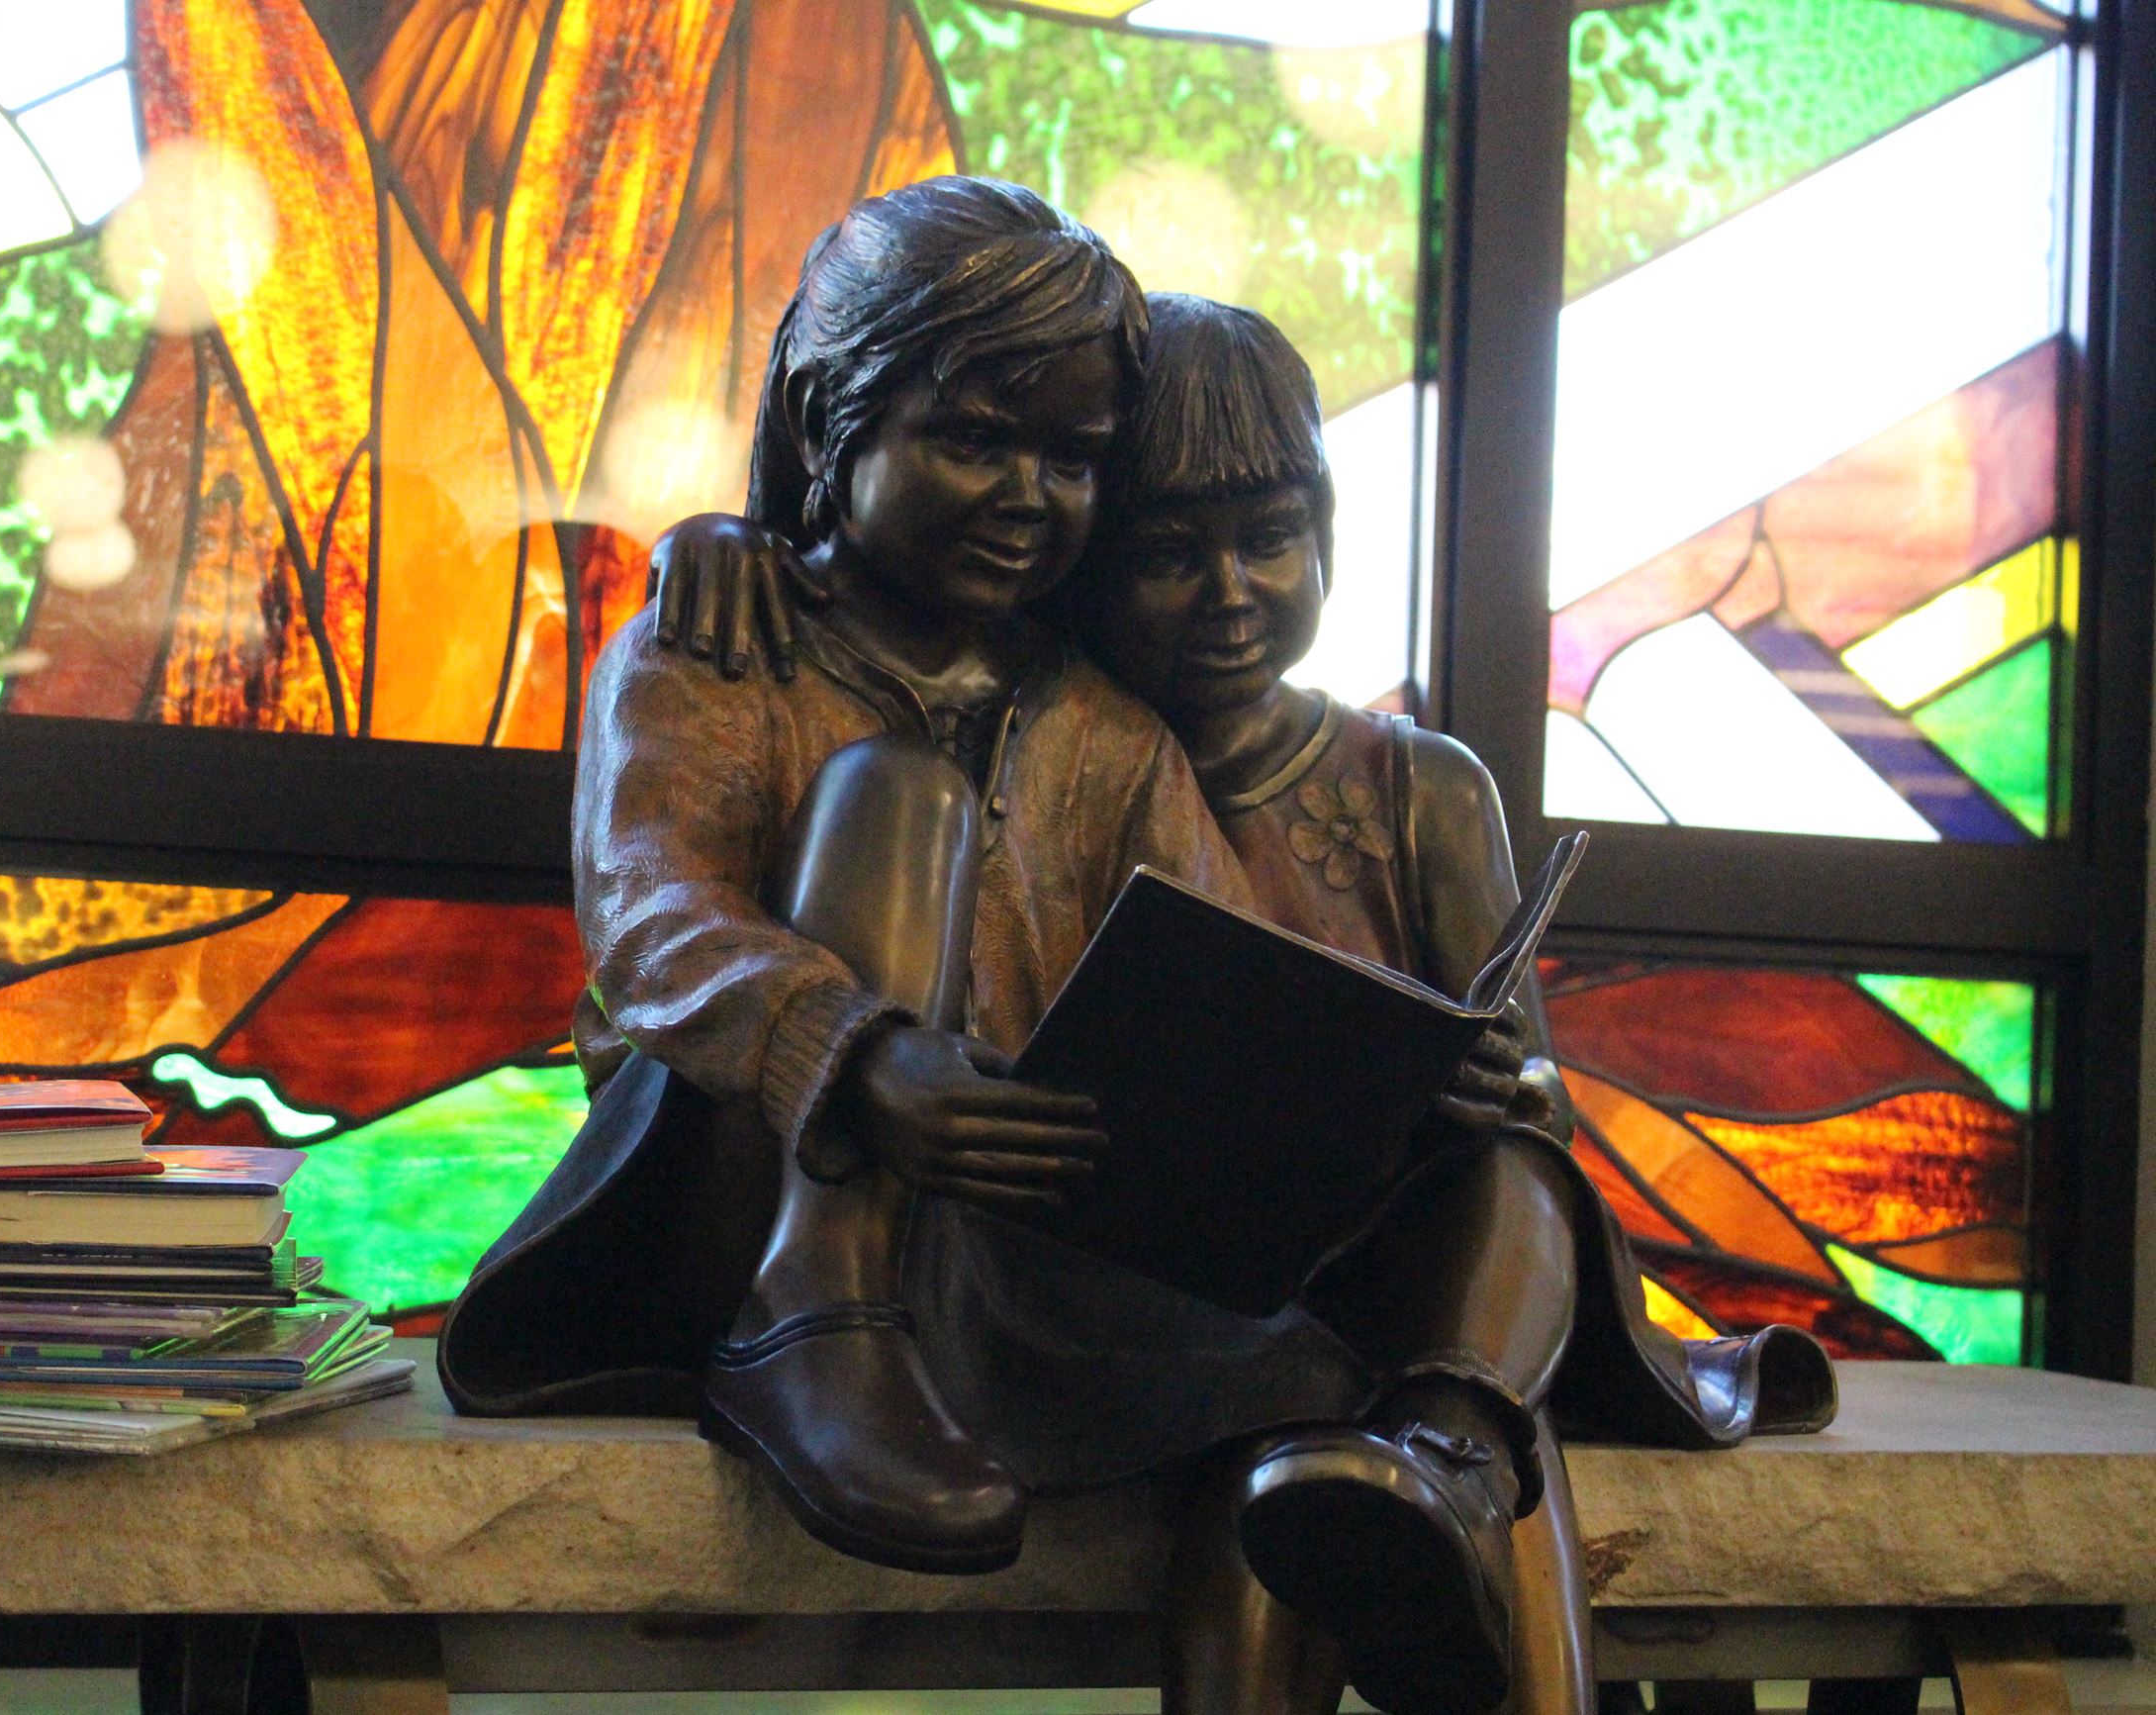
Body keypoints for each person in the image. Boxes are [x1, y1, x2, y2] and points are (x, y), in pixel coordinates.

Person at [644, 292, 1837, 1715]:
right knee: (1294, 1444)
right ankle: (1411, 1482)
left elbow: (1544, 1100)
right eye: (1164, 551)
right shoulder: (1049, 734)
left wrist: (1493, 1082)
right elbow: (866, 624)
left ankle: (1444, 1469)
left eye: (1271, 538)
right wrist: (731, 543)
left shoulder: (1417, 785)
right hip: (1147, 1280)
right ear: (1078, 563)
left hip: (1411, 1289)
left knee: (1505, 1184)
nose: (1229, 592)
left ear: (1326, 533)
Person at [440, 178, 1258, 1579]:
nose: (1028, 495)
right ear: (829, 423)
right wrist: (858, 1056)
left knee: (1297, 1390)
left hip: (999, 1249)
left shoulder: (1106, 729)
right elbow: (652, 913)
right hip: (730, 1210)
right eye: (976, 439)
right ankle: (817, 1315)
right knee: (896, 792)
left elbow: (1220, 986)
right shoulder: (712, 651)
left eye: (1072, 460)